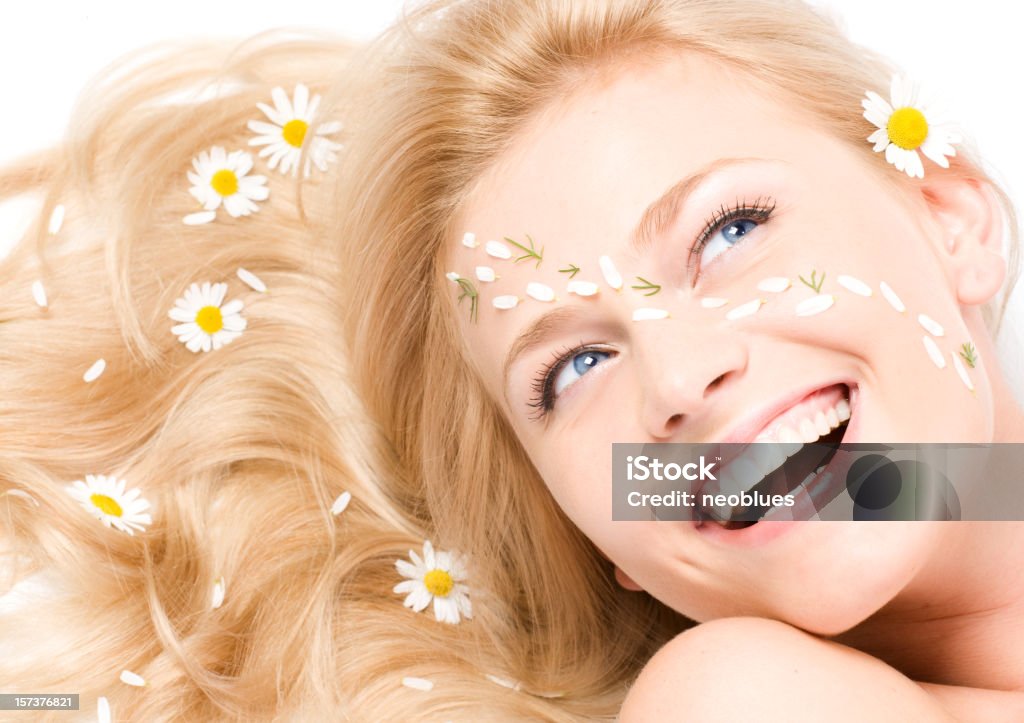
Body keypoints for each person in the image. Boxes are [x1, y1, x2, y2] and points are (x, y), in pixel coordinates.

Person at [0, 1, 1021, 721]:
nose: (675, 380)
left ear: (953, 219)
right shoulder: (745, 700)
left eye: (729, 230)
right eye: (573, 368)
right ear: (597, 536)